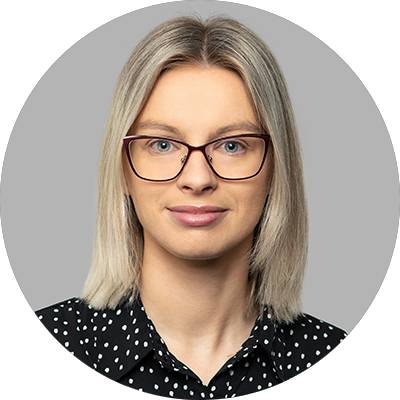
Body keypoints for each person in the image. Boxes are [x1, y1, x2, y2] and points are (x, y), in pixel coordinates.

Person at [35, 15, 347, 398]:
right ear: (122, 171)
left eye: (232, 145)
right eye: (162, 145)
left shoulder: (336, 359)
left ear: (276, 170)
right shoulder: (38, 349)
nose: (197, 179)